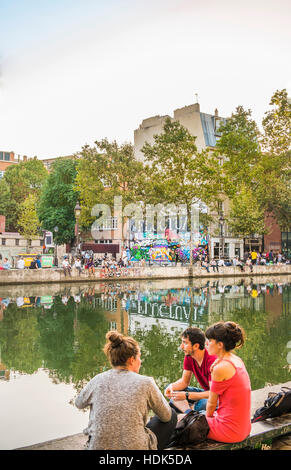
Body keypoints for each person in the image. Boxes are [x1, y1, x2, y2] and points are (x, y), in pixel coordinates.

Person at [75, 331, 177, 450]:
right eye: (139, 356)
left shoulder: (97, 379)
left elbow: (79, 403)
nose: (141, 361)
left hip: (97, 447)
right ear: (131, 360)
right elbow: (166, 416)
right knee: (173, 415)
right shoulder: (146, 383)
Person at [205, 321, 251, 443]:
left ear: (220, 344)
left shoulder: (221, 368)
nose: (206, 344)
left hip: (229, 431)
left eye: (209, 341)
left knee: (181, 421)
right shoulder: (236, 360)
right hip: (244, 428)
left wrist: (204, 422)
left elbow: (211, 403)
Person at [164, 327, 217, 412]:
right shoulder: (189, 356)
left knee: (203, 403)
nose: (181, 346)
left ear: (196, 346)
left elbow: (213, 393)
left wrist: (186, 395)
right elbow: (184, 382)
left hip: (218, 397)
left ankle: (186, 410)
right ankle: (190, 411)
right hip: (206, 392)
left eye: (185, 343)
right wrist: (171, 387)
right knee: (171, 389)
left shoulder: (211, 361)